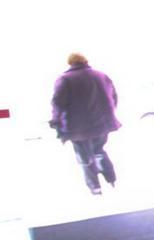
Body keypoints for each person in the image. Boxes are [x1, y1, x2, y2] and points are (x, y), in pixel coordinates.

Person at [49, 53, 121, 195]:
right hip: (102, 124)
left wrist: (56, 122)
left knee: (84, 157)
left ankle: (95, 188)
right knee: (99, 150)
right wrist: (108, 115)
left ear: (70, 63)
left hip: (78, 129)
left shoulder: (65, 79)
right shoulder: (101, 75)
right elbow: (114, 97)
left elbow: (57, 103)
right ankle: (111, 178)